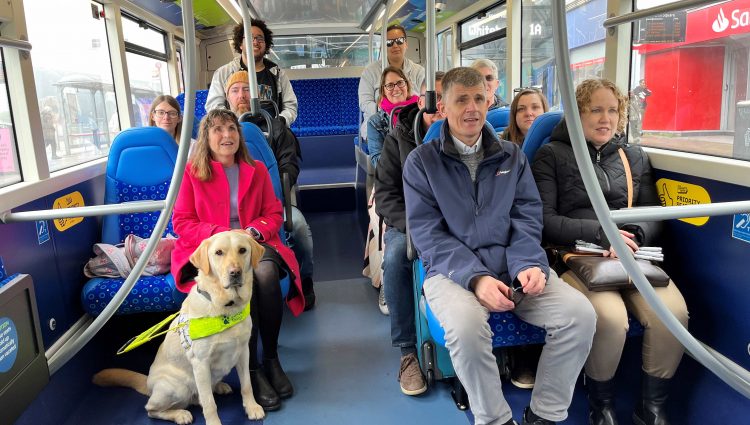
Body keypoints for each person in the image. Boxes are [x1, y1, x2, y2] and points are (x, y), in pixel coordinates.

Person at [403, 67, 596, 425]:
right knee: (464, 328)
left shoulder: (512, 156)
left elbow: (527, 217)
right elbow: (428, 234)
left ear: (488, 100)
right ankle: (494, 419)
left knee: (580, 316)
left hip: (513, 266)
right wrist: (476, 278)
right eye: (461, 99)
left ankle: (545, 414)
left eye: (479, 98)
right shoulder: (422, 163)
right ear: (443, 106)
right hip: (452, 272)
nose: (472, 108)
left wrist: (528, 264)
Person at [531, 78, 688, 425]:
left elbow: (653, 214)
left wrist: (633, 236)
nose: (606, 118)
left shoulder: (634, 157)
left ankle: (652, 409)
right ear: (577, 114)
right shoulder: (551, 155)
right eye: (595, 110)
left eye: (613, 110)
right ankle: (600, 405)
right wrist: (602, 235)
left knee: (673, 313)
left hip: (630, 253)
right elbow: (545, 220)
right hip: (578, 255)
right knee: (611, 319)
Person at [170, 109, 305, 412]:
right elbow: (182, 222)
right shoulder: (193, 173)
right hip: (213, 250)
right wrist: (222, 234)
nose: (226, 136)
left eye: (231, 129)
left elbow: (273, 213)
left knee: (266, 275)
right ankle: (253, 370)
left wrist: (252, 232)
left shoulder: (255, 170)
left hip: (252, 244)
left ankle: (271, 359)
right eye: (217, 130)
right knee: (244, 278)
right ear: (206, 137)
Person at [374, 71, 445, 396]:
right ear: (422, 102)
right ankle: (407, 352)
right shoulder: (398, 139)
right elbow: (386, 194)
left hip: (454, 222)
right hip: (410, 222)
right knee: (396, 256)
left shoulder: (470, 137)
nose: (442, 109)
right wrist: (414, 225)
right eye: (436, 102)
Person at [225, 70, 316, 310]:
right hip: (228, 210)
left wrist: (274, 184)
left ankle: (304, 279)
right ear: (227, 97)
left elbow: (289, 166)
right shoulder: (218, 133)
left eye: (247, 89)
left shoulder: (276, 128)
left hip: (273, 203)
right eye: (235, 90)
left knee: (299, 229)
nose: (242, 95)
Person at [206, 20, 298, 128]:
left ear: (266, 44)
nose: (255, 42)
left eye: (260, 39)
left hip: (271, 133)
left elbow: (290, 106)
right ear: (240, 44)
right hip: (238, 132)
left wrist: (280, 121)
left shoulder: (278, 74)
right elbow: (214, 107)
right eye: (250, 38)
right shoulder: (224, 73)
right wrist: (232, 125)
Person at [358, 24, 425, 138]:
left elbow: (425, 99)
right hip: (381, 124)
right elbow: (365, 103)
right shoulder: (370, 72)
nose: (395, 45)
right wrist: (387, 112)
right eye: (389, 42)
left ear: (406, 43)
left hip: (412, 122)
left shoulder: (419, 71)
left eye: (399, 41)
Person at [367, 67, 419, 168]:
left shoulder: (421, 112)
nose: (396, 88)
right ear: (384, 91)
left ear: (406, 85)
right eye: (390, 85)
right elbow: (377, 162)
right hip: (395, 175)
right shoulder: (375, 122)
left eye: (400, 83)